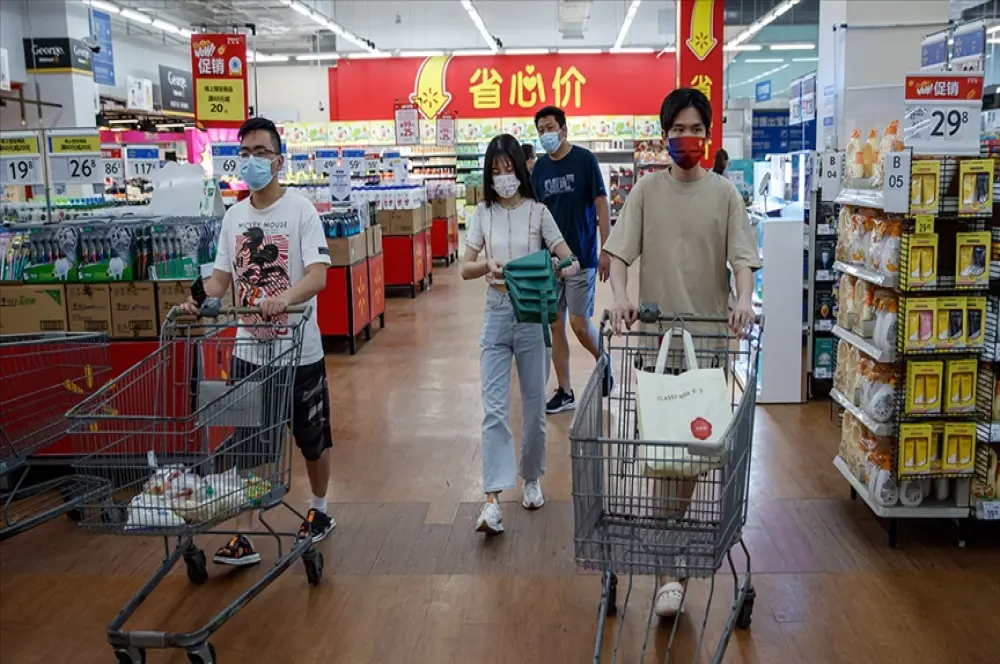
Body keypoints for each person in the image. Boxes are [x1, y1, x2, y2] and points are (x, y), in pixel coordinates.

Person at [602, 88, 760, 618]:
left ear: (707, 136)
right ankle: (669, 568)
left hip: (708, 351)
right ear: (664, 135)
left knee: (689, 462)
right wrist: (620, 296)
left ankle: (668, 553)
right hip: (655, 349)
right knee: (662, 459)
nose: (686, 138)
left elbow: (743, 260)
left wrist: (744, 300)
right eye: (677, 130)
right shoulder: (647, 191)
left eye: (695, 129)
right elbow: (619, 255)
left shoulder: (725, 195)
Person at [180, 117, 336, 566]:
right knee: (250, 443)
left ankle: (320, 509)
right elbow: (220, 281)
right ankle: (244, 535)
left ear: (279, 161)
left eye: (261, 153)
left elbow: (318, 276)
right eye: (244, 153)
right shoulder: (234, 217)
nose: (251, 161)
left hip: (299, 351)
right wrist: (195, 299)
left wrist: (284, 298)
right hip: (249, 351)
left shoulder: (301, 211)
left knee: (312, 438)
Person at [461, 133, 580, 535]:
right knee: (494, 408)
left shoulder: (538, 212)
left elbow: (569, 258)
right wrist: (487, 266)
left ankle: (531, 478)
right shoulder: (483, 213)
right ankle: (492, 498)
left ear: (520, 169)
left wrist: (559, 268)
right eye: (495, 171)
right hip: (495, 310)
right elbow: (465, 267)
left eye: (508, 169)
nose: (502, 177)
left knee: (533, 405)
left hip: (532, 314)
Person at [531, 106, 613, 415]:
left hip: (582, 255)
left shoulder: (585, 160)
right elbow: (535, 213)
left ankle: (603, 359)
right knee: (555, 324)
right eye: (540, 130)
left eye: (550, 128)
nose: (545, 135)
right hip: (549, 263)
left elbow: (601, 204)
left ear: (564, 130)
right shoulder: (539, 169)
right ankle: (565, 391)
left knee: (579, 324)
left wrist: (606, 249)